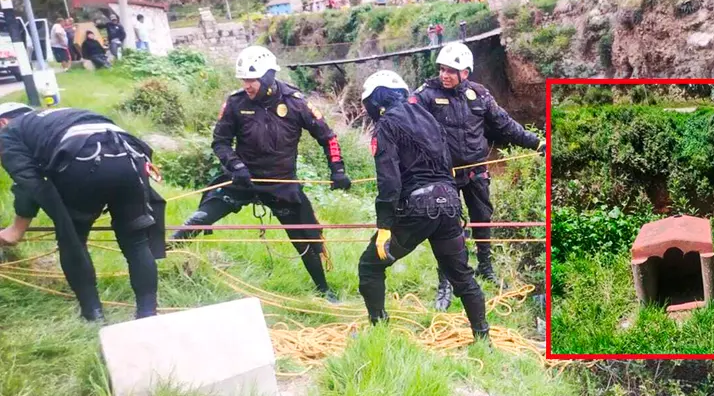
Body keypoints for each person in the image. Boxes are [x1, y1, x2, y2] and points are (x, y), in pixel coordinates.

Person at [171, 46, 351, 302]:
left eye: (251, 80)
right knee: (200, 217)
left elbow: (328, 137)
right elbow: (220, 142)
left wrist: (338, 169)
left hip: (281, 183)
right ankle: (164, 253)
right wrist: (236, 167)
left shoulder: (296, 102)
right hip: (242, 178)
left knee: (306, 238)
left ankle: (323, 290)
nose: (246, 85)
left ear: (267, 77)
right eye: (243, 79)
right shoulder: (235, 103)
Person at [0, 103, 165, 321]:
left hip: (83, 158)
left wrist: (19, 229)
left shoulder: (9, 133)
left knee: (73, 239)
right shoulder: (59, 116)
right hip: (129, 155)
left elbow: (27, 182)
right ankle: (147, 314)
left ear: (2, 122)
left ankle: (93, 316)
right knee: (136, 242)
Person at [411, 42, 545, 310]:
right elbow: (407, 124)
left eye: (451, 71)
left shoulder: (480, 95)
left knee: (483, 219)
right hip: (443, 176)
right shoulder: (425, 95)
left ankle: (485, 267)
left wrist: (537, 143)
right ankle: (446, 282)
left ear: (465, 72)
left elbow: (505, 125)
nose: (444, 75)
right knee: (446, 227)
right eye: (442, 69)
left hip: (476, 172)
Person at [357, 70, 489, 341]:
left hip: (417, 209)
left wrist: (384, 227)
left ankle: (378, 330)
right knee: (462, 277)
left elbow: (389, 182)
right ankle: (483, 339)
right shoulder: (429, 118)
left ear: (376, 100)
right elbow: (447, 166)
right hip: (449, 203)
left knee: (370, 265)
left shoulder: (386, 125)